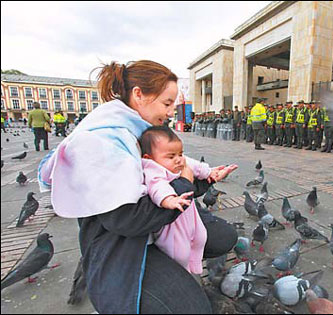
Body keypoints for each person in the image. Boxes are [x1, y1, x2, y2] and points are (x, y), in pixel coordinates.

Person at [37, 60, 238, 314]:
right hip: (120, 244)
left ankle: (171, 264)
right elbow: (127, 221)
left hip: (153, 220)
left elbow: (169, 174)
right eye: (167, 103)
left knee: (223, 236)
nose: (170, 111)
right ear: (139, 95)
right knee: (194, 309)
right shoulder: (102, 141)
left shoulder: (139, 131)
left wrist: (206, 179)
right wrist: (184, 183)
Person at [140, 125, 214, 275]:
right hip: (173, 224)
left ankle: (195, 264)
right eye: (171, 156)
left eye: (180, 154)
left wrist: (210, 172)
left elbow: (195, 167)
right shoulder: (153, 170)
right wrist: (169, 199)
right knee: (180, 252)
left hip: (190, 214)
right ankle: (182, 272)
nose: (179, 160)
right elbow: (157, 186)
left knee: (201, 237)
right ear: (149, 158)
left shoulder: (179, 163)